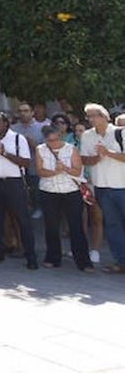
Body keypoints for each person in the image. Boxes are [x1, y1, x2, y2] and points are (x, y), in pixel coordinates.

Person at [0, 113, 37, 269]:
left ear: (6, 124)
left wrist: (6, 154)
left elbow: (25, 162)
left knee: (22, 219)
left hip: (14, 182)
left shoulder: (18, 139)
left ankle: (30, 255)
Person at [36, 125, 93, 272]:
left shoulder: (71, 149)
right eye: (50, 141)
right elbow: (40, 171)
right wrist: (55, 172)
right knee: (51, 226)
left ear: (60, 136)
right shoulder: (40, 149)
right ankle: (53, 257)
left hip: (70, 191)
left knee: (76, 226)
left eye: (55, 140)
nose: (53, 143)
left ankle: (83, 261)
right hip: (49, 191)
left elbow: (77, 170)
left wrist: (65, 169)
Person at [79, 103, 125, 274]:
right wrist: (96, 158)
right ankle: (121, 262)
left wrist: (108, 153)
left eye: (93, 115)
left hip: (122, 185)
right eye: (88, 116)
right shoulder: (87, 136)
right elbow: (84, 159)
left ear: (104, 116)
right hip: (102, 187)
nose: (90, 119)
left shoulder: (120, 132)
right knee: (112, 225)